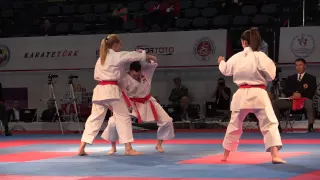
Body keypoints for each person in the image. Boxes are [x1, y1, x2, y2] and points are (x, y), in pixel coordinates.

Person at [78, 34, 157, 156]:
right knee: (123, 117)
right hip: (111, 91)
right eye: (120, 45)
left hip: (99, 91)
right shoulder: (114, 55)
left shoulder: (101, 58)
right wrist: (148, 56)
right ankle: (128, 148)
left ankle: (82, 147)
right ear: (115, 45)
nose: (121, 48)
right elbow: (130, 55)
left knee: (94, 118)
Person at [218, 28, 285, 164]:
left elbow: (225, 70)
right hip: (258, 93)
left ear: (243, 42)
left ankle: (225, 155)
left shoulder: (237, 57)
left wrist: (221, 62)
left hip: (241, 95)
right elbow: (271, 76)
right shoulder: (261, 56)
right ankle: (274, 156)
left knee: (234, 125)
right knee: (270, 124)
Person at [101, 60, 175, 154]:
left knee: (167, 120)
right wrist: (113, 105)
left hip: (148, 101)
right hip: (130, 103)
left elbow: (152, 62)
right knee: (113, 123)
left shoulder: (146, 73)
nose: (136, 77)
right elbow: (119, 93)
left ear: (140, 71)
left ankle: (159, 144)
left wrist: (144, 56)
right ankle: (113, 146)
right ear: (130, 71)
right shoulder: (123, 79)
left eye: (138, 75)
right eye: (134, 75)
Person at [272, 58, 316, 133]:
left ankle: (310, 125)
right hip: (292, 100)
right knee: (274, 103)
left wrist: (300, 95)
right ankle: (277, 126)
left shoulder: (311, 78)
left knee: (310, 102)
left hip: (304, 100)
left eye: (300, 65)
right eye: (296, 65)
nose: (298, 67)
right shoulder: (291, 78)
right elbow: (285, 90)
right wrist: (293, 94)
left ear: (305, 66)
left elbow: (312, 92)